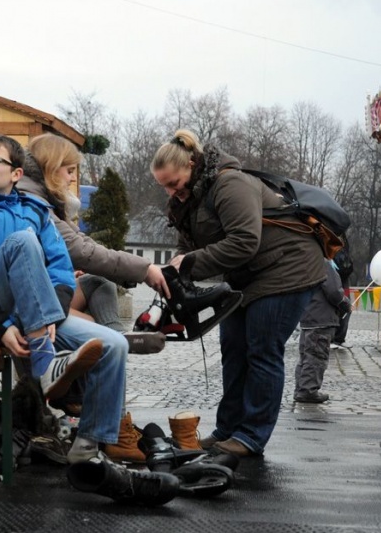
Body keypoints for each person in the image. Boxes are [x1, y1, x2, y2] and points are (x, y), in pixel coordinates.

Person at [0, 134, 128, 463]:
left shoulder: (36, 210)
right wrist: (1, 326)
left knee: (114, 344)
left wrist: (52, 315)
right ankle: (45, 364)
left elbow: (61, 270)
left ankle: (88, 449)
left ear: (16, 174)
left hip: (35, 317)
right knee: (22, 242)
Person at [150, 129, 326, 458]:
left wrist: (189, 263)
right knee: (233, 347)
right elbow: (187, 246)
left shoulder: (230, 184)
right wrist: (178, 268)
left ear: (191, 165)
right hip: (247, 276)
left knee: (262, 349)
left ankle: (251, 435)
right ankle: (227, 429)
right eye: (165, 186)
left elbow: (245, 241)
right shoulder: (187, 200)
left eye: (174, 183)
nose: (171, 192)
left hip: (288, 268)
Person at [18, 133, 170, 461]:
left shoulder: (45, 200)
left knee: (99, 284)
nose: (73, 178)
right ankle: (104, 431)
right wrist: (145, 269)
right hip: (35, 307)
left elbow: (77, 250)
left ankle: (115, 337)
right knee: (106, 342)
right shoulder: (32, 202)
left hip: (51, 293)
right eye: (69, 170)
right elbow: (82, 251)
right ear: (50, 168)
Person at [294, 259, 350, 403]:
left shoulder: (306, 260)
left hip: (307, 316)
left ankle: (300, 388)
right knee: (316, 356)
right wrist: (344, 303)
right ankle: (308, 390)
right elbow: (334, 291)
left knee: (305, 357)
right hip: (321, 317)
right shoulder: (324, 263)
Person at [332, 242, 354, 347]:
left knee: (346, 307)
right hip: (336, 278)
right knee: (341, 307)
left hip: (342, 280)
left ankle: (338, 338)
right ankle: (335, 338)